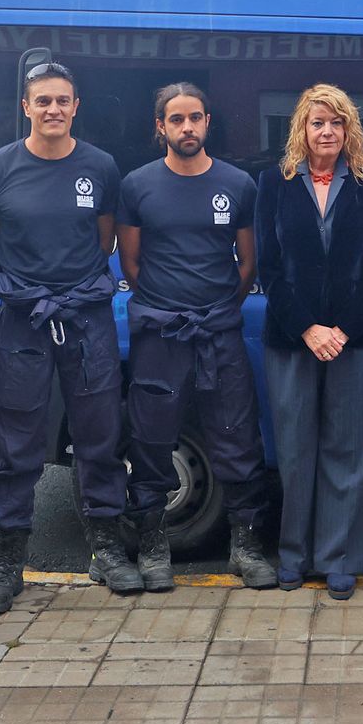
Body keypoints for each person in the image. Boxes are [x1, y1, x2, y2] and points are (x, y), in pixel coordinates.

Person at [0, 58, 131, 611]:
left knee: (99, 435)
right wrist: (25, 290)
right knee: (16, 442)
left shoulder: (101, 167)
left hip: (87, 316)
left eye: (62, 100)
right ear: (26, 108)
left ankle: (106, 549)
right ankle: (10, 560)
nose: (53, 110)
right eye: (43, 101)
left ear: (75, 106)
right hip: (23, 320)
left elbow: (104, 241)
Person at [116, 83, 277, 592]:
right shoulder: (137, 185)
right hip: (161, 333)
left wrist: (218, 310)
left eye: (196, 118)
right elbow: (132, 264)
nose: (188, 127)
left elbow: (247, 264)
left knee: (238, 439)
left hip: (219, 333)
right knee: (151, 438)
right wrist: (169, 305)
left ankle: (246, 547)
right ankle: (152, 545)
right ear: (160, 126)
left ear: (208, 123)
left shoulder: (238, 184)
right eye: (177, 119)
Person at [256, 83, 363, 600]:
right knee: (294, 448)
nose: (327, 131)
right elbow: (269, 267)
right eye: (317, 122)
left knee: (350, 449)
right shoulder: (275, 182)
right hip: (292, 338)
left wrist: (343, 329)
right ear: (301, 130)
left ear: (349, 129)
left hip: (357, 338)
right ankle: (294, 555)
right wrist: (309, 327)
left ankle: (340, 558)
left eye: (336, 122)